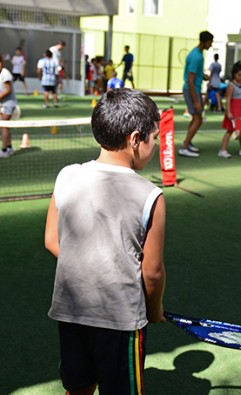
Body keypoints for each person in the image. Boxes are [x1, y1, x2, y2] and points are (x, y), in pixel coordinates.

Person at [44, 88, 166, 395]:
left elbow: (51, 240)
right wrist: (154, 310)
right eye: (155, 137)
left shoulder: (66, 175)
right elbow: (152, 273)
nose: (156, 145)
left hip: (71, 311)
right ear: (136, 139)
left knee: (78, 386)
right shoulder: (151, 195)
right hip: (122, 321)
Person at [178, 31, 214, 158]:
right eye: (210, 42)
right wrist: (197, 101)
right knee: (198, 119)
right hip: (191, 89)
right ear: (204, 42)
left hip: (193, 88)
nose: (211, 45)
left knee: (196, 118)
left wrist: (203, 76)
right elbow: (190, 80)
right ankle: (184, 147)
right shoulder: (196, 56)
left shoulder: (198, 53)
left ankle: (187, 144)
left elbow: (194, 75)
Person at [0, 52, 18, 159]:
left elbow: (8, 90)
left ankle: (4, 150)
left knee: (4, 126)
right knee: (6, 126)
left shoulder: (5, 73)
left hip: (9, 103)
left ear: (2, 62)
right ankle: (9, 148)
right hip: (2, 103)